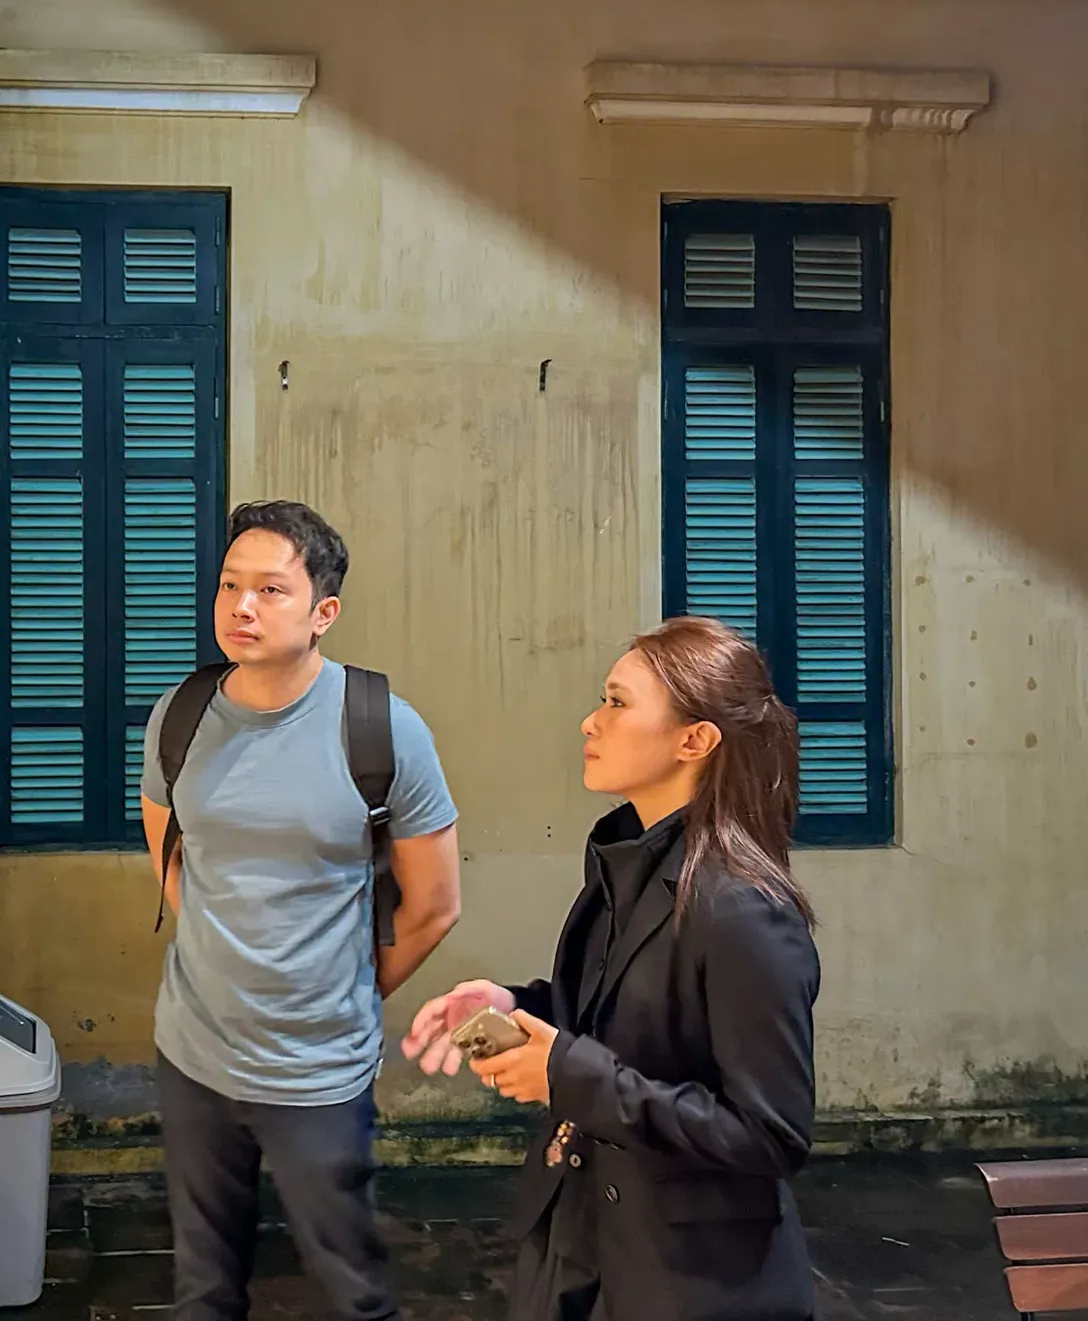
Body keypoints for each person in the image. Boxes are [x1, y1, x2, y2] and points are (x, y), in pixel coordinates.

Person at [402, 616, 821, 1321]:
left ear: (695, 740)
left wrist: (567, 1075)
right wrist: (515, 1009)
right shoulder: (626, 862)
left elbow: (769, 1134)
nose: (590, 722)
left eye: (618, 703)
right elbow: (625, 1020)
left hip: (689, 1282)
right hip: (580, 1240)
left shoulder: (743, 910)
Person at [141, 500, 463, 1321]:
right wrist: (223, 953)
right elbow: (173, 859)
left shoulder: (381, 729)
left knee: (354, 1288)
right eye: (229, 585)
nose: (241, 607)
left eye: (270, 590)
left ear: (324, 613)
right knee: (203, 1290)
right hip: (194, 1053)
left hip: (318, 1069)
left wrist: (345, 989)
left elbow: (434, 906)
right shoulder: (180, 716)